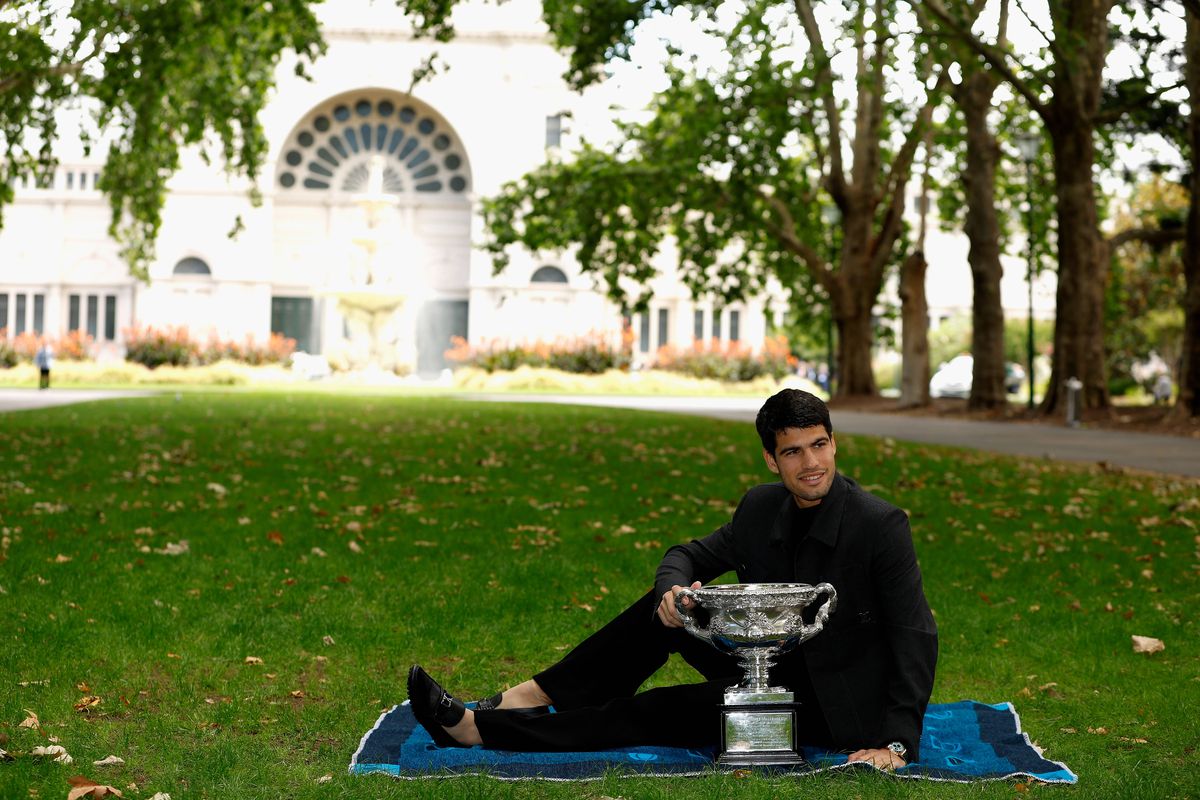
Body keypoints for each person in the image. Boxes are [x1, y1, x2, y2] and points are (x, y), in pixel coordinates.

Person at [408, 389, 937, 769]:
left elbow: (915, 635)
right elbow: (687, 553)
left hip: (830, 699)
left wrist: (896, 743)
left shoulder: (880, 524)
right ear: (771, 460)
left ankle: (481, 730)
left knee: (658, 711)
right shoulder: (759, 506)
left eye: (819, 444)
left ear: (834, 444)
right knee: (659, 612)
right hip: (759, 657)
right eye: (793, 451)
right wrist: (672, 594)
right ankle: (532, 693)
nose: (811, 462)